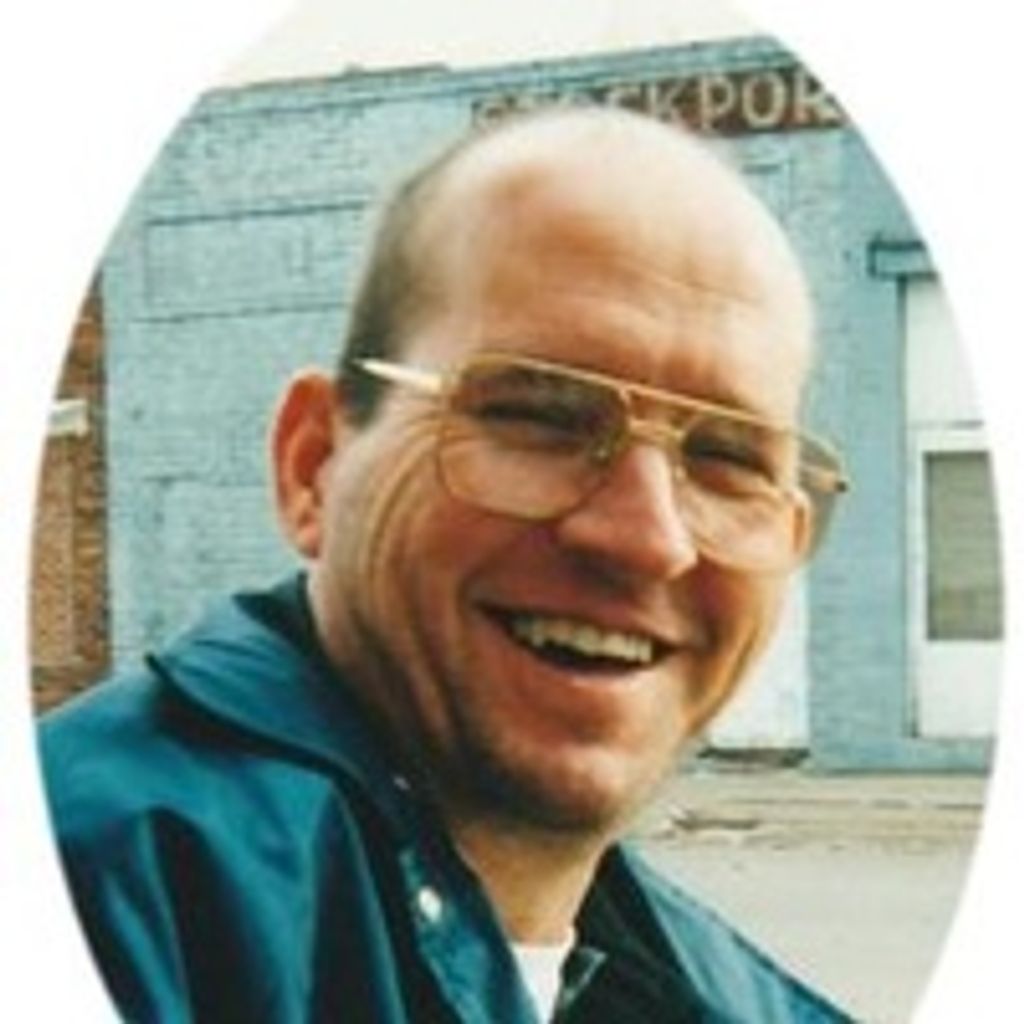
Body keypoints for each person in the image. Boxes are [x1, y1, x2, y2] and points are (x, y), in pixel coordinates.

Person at [40, 107, 852, 1023]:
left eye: (730, 459)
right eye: (539, 416)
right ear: (315, 466)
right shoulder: (87, 893)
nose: (648, 538)